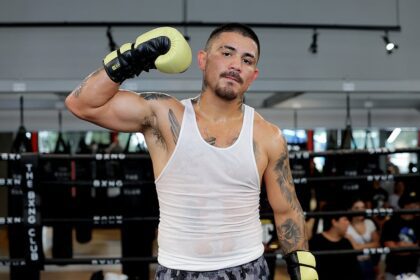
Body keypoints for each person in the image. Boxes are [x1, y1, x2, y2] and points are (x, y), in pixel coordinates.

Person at [65, 23, 318, 280]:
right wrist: (136, 56)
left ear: (253, 75)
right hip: (178, 270)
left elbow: (287, 209)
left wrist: (304, 270)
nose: (235, 65)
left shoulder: (268, 136)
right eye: (226, 52)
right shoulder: (164, 116)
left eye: (247, 59)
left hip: (248, 269)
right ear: (203, 59)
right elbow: (81, 104)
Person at [309, 203, 363, 280]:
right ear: (334, 221)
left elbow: (356, 272)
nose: (348, 223)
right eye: (345, 219)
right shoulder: (316, 242)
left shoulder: (346, 242)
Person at [381, 191, 420, 280]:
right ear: (406, 205)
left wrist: (405, 247)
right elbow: (389, 245)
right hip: (393, 270)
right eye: (416, 203)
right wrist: (412, 247)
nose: (418, 206)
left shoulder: (419, 222)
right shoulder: (390, 223)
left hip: (415, 270)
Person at [345, 198, 380, 280]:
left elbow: (377, 243)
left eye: (363, 207)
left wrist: (359, 246)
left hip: (370, 262)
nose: (360, 210)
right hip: (354, 264)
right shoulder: (346, 226)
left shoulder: (369, 222)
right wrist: (369, 245)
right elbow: (354, 248)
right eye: (357, 208)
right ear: (350, 210)